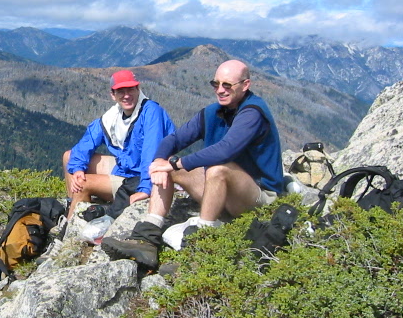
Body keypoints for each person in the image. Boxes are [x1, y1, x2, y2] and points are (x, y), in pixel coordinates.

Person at [102, 60, 283, 270]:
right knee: (171, 170)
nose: (220, 90)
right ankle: (147, 238)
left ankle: (200, 250)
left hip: (259, 194)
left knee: (218, 168)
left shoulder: (252, 113)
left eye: (227, 85)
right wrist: (161, 162)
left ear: (245, 85)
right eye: (215, 84)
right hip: (225, 192)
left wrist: (176, 163)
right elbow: (174, 139)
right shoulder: (212, 113)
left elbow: (226, 149)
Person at [63, 69, 175, 220]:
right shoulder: (113, 117)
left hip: (140, 176)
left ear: (138, 89)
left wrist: (145, 189)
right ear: (113, 95)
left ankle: (71, 229)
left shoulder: (150, 112)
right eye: (121, 91)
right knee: (69, 157)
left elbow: (152, 155)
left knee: (82, 183)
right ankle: (74, 204)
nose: (127, 95)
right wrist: (77, 168)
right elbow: (88, 141)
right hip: (126, 167)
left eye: (131, 89)